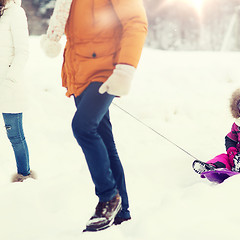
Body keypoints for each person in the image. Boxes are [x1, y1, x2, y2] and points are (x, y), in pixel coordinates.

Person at [41, 0, 148, 232]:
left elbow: (136, 23)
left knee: (83, 127)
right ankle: (122, 211)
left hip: (107, 71)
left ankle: (109, 197)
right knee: (104, 140)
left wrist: (125, 68)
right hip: (81, 74)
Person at [0, 0, 35, 182]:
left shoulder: (15, 13)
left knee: (14, 135)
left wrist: (10, 80)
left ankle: (24, 175)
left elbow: (23, 52)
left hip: (9, 86)